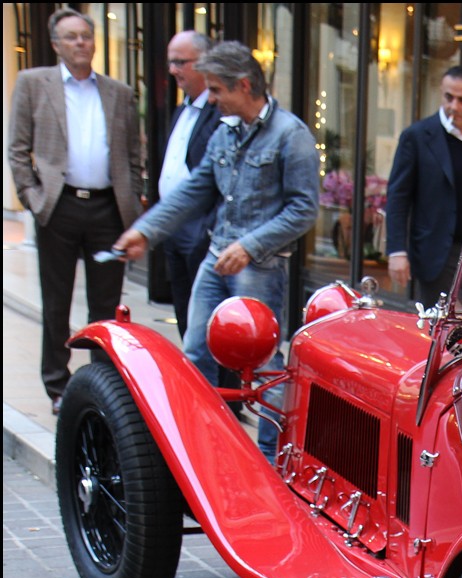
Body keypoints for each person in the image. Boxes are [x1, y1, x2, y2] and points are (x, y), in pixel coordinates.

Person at [111, 41, 319, 462]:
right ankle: (202, 454)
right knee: (195, 354)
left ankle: (272, 461)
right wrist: (145, 232)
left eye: (217, 90)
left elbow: (304, 209)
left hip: (258, 266)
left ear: (244, 86)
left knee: (263, 365)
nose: (211, 99)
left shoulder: (291, 134)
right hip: (216, 255)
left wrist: (250, 246)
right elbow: (194, 190)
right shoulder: (225, 131)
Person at [7, 9, 142, 416]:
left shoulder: (118, 92)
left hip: (107, 209)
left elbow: (134, 155)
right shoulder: (33, 84)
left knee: (106, 305)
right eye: (71, 37)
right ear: (56, 45)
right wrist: (33, 198)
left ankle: (102, 385)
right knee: (56, 301)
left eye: (86, 35)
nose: (80, 43)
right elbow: (17, 149)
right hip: (59, 206)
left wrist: (132, 200)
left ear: (95, 42)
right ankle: (58, 386)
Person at [386, 66, 462, 302]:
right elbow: (398, 197)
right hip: (437, 253)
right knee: (437, 327)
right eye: (448, 97)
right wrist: (396, 252)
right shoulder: (417, 136)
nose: (453, 106)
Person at [155, 30, 222, 342]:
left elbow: (215, 180)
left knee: (206, 319)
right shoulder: (182, 109)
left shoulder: (220, 111)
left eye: (181, 62)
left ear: (205, 63)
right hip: (175, 228)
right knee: (184, 311)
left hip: (201, 230)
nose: (173, 70)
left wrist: (206, 229)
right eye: (171, 62)